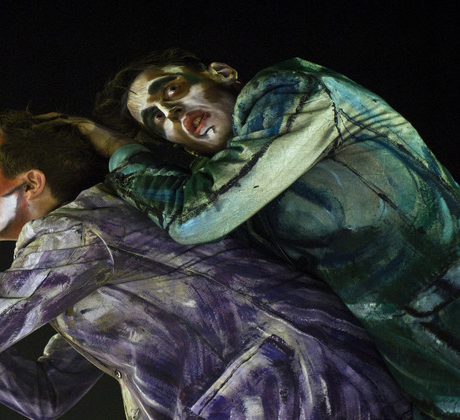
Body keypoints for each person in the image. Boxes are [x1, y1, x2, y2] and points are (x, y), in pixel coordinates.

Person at [0, 111, 411, 419]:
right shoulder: (101, 254)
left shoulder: (76, 238)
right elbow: (44, 396)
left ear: (33, 182)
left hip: (309, 399)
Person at [91, 48, 460, 418]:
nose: (170, 113)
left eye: (170, 91)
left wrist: (119, 151)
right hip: (421, 363)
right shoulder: (243, 208)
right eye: (156, 120)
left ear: (220, 72)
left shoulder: (290, 89)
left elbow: (195, 214)